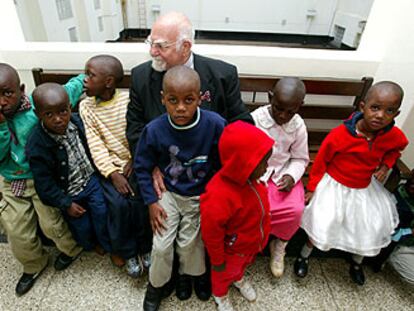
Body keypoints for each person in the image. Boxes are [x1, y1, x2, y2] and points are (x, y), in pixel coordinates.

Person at [294, 81, 409, 286]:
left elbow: (396, 149)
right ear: (363, 106)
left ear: (396, 114)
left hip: (364, 187)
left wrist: (386, 166)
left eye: (389, 111)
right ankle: (304, 255)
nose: (380, 115)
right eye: (375, 108)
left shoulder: (393, 135)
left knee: (369, 226)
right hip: (336, 185)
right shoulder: (341, 135)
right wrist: (312, 187)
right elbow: (321, 160)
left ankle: (357, 262)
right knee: (324, 222)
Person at [135, 66, 226, 311]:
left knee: (190, 244)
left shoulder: (215, 124)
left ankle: (189, 275)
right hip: (168, 194)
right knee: (162, 245)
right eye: (173, 101)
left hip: (199, 195)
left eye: (189, 100)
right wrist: (152, 201)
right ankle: (156, 285)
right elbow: (142, 167)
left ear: (200, 98)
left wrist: (214, 194)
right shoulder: (154, 129)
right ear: (163, 98)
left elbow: (223, 163)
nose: (181, 108)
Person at [0, 63, 83, 296]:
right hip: (11, 180)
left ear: (21, 90)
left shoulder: (36, 109)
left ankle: (71, 250)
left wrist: (87, 75)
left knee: (52, 224)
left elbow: (69, 91)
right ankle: (34, 264)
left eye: (7, 93)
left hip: (41, 179)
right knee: (16, 230)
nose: (2, 101)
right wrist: (1, 128)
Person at [79, 55, 152, 278]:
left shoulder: (129, 100)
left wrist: (134, 159)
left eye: (90, 75)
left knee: (140, 200)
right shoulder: (86, 107)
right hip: (109, 169)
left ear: (109, 81)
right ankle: (128, 252)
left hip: (135, 162)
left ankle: (146, 248)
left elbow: (140, 132)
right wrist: (112, 174)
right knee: (118, 205)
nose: (84, 80)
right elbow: (95, 144)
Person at [26, 83, 111, 255]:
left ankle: (107, 245)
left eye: (62, 112)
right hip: (68, 193)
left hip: (90, 181)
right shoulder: (36, 145)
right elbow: (44, 185)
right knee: (81, 226)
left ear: (69, 108)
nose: (58, 119)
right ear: (38, 114)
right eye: (49, 114)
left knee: (102, 213)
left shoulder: (78, 122)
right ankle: (90, 245)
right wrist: (66, 203)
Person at [200, 120, 274, 311]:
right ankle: (220, 295)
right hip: (230, 251)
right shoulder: (218, 195)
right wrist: (217, 261)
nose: (267, 167)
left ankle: (238, 278)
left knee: (240, 267)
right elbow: (211, 234)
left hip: (250, 246)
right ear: (243, 162)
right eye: (263, 162)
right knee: (222, 275)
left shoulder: (253, 180)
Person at [252, 77, 309, 278]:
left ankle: (280, 245)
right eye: (278, 108)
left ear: (300, 106)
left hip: (282, 174)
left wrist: (292, 176)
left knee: (295, 209)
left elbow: (301, 158)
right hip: (256, 174)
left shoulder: (298, 125)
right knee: (253, 207)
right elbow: (246, 151)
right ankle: (251, 243)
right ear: (270, 98)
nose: (283, 115)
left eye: (290, 111)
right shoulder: (256, 119)